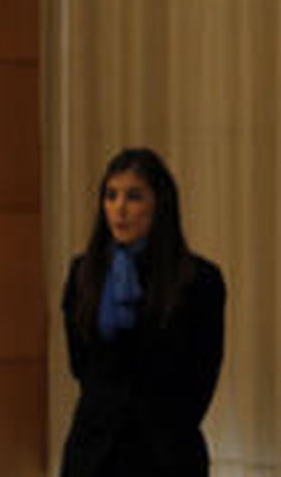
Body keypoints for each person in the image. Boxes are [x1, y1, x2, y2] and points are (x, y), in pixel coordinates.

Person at [60, 148, 226, 477]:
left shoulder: (198, 280)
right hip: (95, 452)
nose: (119, 209)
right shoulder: (85, 274)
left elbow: (202, 372)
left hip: (166, 452)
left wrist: (165, 426)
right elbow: (80, 364)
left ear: (159, 205)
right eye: (111, 196)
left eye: (133, 197)